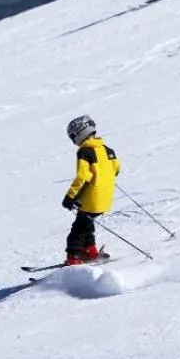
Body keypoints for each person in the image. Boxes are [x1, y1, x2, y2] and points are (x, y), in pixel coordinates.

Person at [61, 114, 119, 265]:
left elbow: (83, 177)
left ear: (80, 134)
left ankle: (73, 257)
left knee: (78, 229)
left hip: (91, 199)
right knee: (87, 223)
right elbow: (117, 168)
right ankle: (90, 250)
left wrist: (70, 197)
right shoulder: (107, 149)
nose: (74, 141)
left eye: (73, 137)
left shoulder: (85, 152)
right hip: (105, 198)